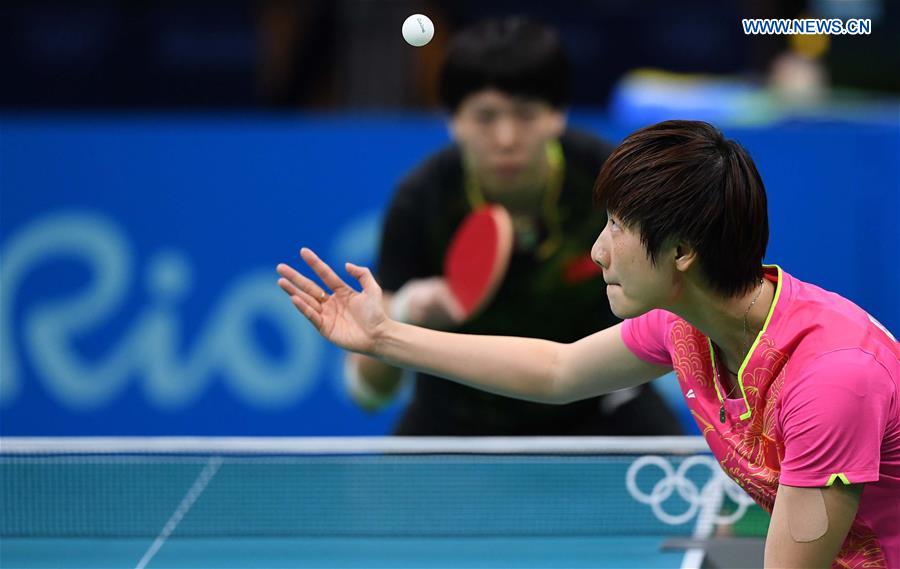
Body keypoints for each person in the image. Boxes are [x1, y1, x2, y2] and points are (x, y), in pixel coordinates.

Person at [277, 120, 899, 567]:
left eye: (618, 228)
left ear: (682, 251)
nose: (597, 251)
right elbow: (557, 370)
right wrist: (385, 336)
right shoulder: (687, 324)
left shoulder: (829, 381)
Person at [344, 16, 683, 436]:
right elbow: (368, 394)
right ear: (454, 120)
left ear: (557, 114)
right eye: (485, 117)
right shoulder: (422, 200)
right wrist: (407, 311)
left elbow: (679, 314)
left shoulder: (610, 182)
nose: (506, 138)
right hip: (458, 413)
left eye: (525, 114)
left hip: (603, 404)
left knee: (685, 470)